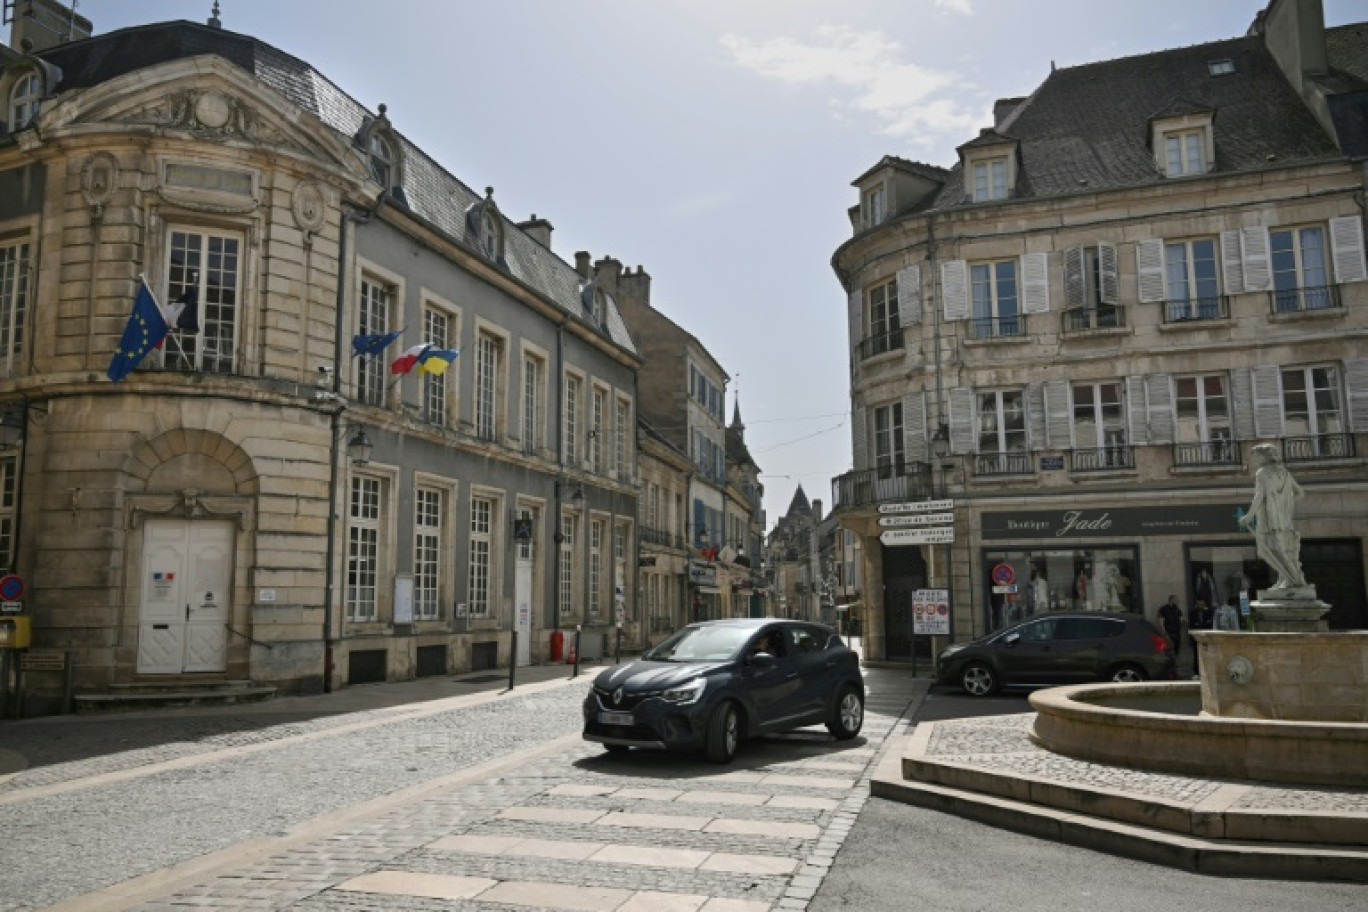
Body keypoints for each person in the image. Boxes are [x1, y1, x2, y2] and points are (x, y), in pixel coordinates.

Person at [1238, 443, 1307, 589]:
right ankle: (1285, 579)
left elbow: (1259, 496)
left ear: (1263, 456)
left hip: (1269, 519)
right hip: (1284, 519)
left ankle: (1291, 578)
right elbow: (1300, 493)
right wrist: (1283, 504)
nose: (1254, 460)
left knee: (1265, 550)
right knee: (1282, 550)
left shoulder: (1262, 473)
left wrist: (1248, 516)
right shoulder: (1285, 473)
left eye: (1255, 456)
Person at [1187, 599, 1212, 675]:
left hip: (1206, 636)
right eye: (1199, 604)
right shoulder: (1193, 614)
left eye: (1202, 604)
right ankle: (1196, 672)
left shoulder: (1208, 613)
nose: (1201, 606)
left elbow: (1209, 623)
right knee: (1196, 654)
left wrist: (1200, 625)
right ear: (1196, 605)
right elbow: (1192, 625)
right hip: (1196, 637)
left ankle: (1207, 670)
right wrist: (1202, 625)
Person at [1157, 594, 1184, 659]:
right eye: (1176, 600)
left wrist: (1183, 621)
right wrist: (1164, 632)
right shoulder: (1163, 609)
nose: (1177, 601)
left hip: (1177, 632)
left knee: (1176, 648)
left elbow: (1181, 619)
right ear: (1171, 600)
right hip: (1169, 632)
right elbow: (1161, 621)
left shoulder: (1177, 609)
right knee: (1169, 650)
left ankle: (1175, 662)